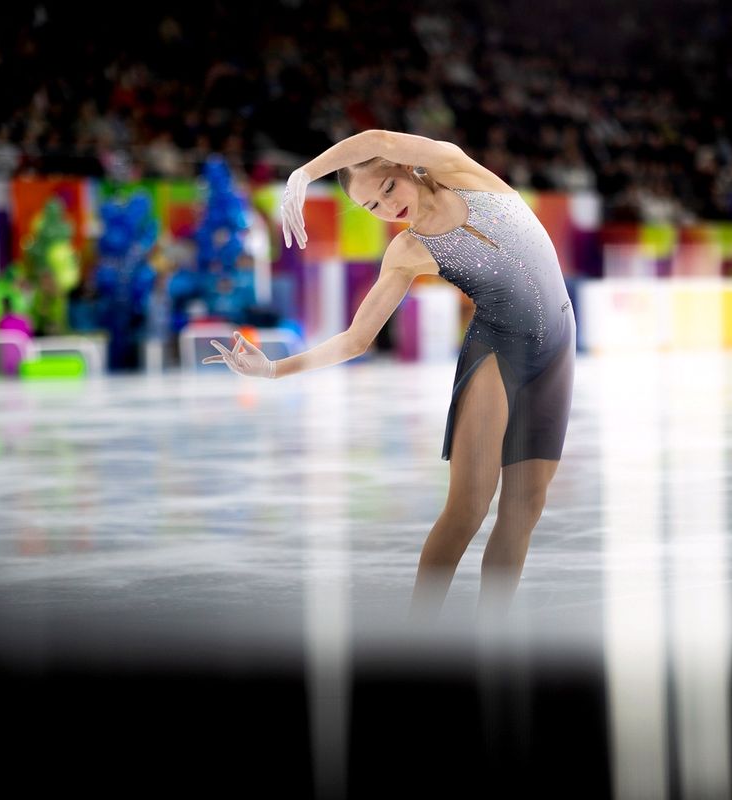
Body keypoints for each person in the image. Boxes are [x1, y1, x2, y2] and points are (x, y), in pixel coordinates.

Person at [204, 129, 576, 620]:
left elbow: (378, 138)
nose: (387, 206)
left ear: (403, 167)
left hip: (558, 346)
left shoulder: (457, 169)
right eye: (371, 206)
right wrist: (273, 369)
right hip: (497, 349)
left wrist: (305, 173)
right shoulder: (407, 252)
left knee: (525, 507)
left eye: (387, 188)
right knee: (469, 506)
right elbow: (356, 339)